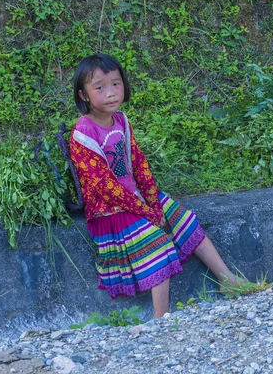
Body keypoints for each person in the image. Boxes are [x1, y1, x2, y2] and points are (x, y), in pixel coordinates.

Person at [69, 53, 239, 318]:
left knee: (184, 219)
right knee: (157, 242)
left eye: (116, 83)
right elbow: (104, 186)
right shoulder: (83, 132)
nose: (111, 92)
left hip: (134, 199)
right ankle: (160, 319)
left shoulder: (122, 121)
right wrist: (145, 210)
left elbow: (138, 164)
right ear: (83, 95)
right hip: (110, 210)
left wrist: (152, 201)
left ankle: (228, 280)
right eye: (100, 87)